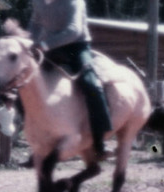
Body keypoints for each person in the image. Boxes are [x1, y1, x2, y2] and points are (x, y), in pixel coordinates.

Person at [29, 0, 111, 159]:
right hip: (49, 48)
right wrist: (29, 42)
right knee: (26, 83)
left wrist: (44, 45)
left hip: (77, 46)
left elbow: (74, 31)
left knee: (91, 85)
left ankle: (99, 141)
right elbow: (35, 25)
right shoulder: (39, 2)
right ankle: (37, 141)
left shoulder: (74, 2)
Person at [0, 93, 18, 165]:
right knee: (2, 146)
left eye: (12, 102)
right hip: (2, 130)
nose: (11, 104)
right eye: (9, 102)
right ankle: (0, 161)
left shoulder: (13, 110)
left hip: (9, 129)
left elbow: (11, 120)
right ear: (5, 102)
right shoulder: (1, 110)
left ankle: (7, 161)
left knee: (8, 146)